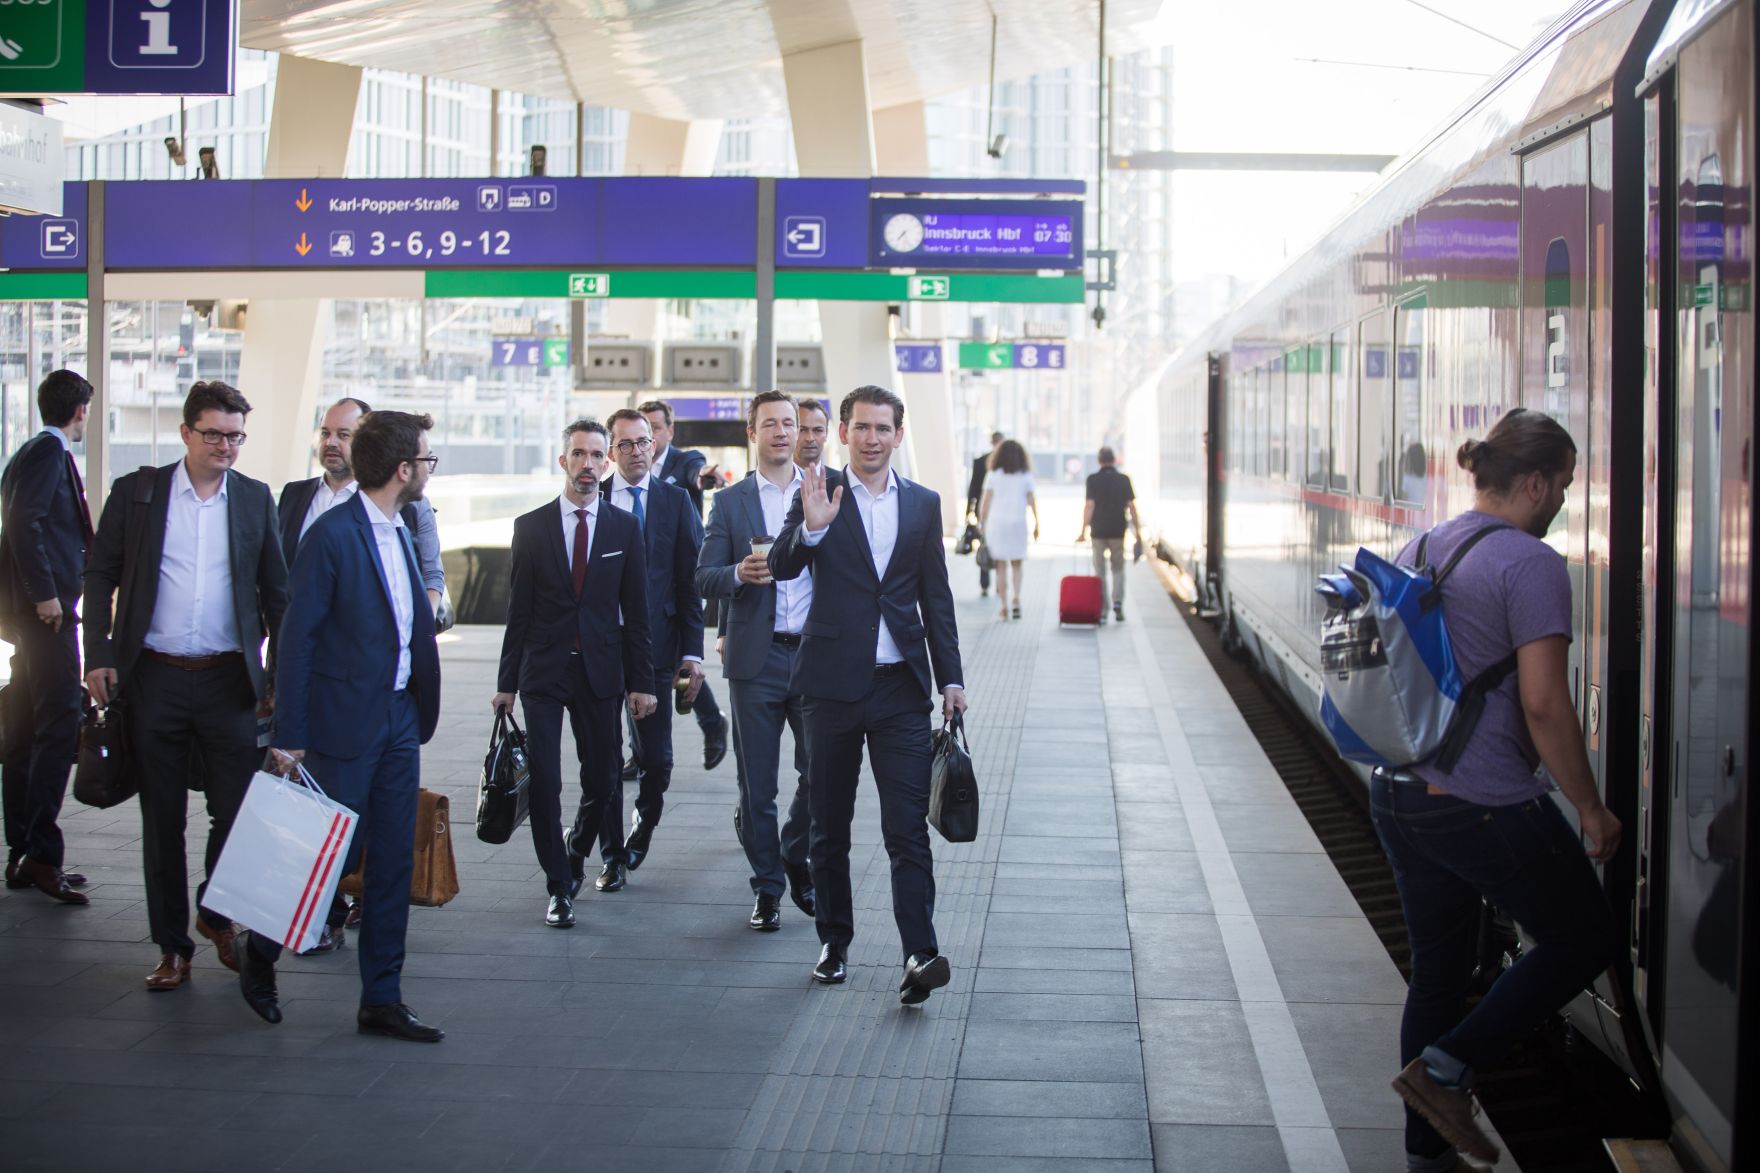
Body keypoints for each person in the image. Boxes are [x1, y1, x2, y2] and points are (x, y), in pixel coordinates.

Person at [1372, 408, 1621, 1170]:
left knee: (1438, 977)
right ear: (1536, 483)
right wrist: (1590, 807)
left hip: (1399, 792)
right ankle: (1448, 1069)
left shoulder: (1421, 545)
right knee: (1586, 935)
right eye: (1565, 485)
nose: (1565, 502)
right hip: (1477, 800)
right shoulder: (1531, 563)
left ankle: (1427, 1158)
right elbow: (1544, 704)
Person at [82, 382, 289, 992]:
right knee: (162, 819)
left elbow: (277, 593)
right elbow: (99, 575)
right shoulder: (137, 494)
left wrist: (280, 676)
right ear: (185, 433)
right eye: (214, 434)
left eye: (235, 436)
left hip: (230, 682)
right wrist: (97, 654)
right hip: (155, 679)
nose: (225, 446)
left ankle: (214, 912)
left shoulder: (254, 498)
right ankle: (173, 947)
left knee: (237, 812)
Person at [251, 410, 444, 1040]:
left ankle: (381, 998)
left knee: (391, 862)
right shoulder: (331, 536)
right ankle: (259, 951)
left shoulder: (404, 527)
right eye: (426, 459)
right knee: (319, 853)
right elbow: (297, 639)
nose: (430, 468)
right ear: (403, 469)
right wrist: (290, 734)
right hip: (342, 723)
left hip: (399, 718)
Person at [771, 385, 967, 1005]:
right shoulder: (818, 489)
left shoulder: (923, 504)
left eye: (883, 428)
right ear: (844, 432)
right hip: (829, 688)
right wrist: (811, 529)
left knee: (907, 830)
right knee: (829, 828)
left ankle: (920, 953)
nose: (872, 438)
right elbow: (781, 565)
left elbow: (936, 597)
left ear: (898, 435)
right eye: (861, 427)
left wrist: (951, 678)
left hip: (901, 691)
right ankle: (834, 942)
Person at [493, 419, 653, 926]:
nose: (588, 464)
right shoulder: (531, 527)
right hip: (543, 672)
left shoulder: (624, 529)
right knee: (545, 782)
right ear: (563, 461)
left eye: (597, 455)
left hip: (601, 672)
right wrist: (505, 684)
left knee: (604, 780)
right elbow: (518, 611)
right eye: (579, 454)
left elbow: (637, 613)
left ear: (607, 462)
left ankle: (577, 847)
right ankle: (558, 886)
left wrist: (642, 682)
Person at [696, 390, 815, 932]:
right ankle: (768, 887)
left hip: (815, 656)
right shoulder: (731, 502)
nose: (783, 432)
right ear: (753, 433)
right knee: (757, 787)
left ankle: (793, 850)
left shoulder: (825, 489)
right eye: (771, 424)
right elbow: (703, 576)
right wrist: (737, 575)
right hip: (756, 661)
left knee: (820, 775)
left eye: (790, 423)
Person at [0, 370, 95, 905]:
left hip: (32, 615)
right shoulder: (48, 452)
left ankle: (22, 852)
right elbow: (23, 521)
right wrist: (45, 595)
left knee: (23, 729)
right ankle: (40, 855)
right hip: (47, 616)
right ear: (80, 410)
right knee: (58, 726)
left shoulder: (26, 452)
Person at [603, 408, 703, 874]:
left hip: (659, 648)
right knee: (603, 761)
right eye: (625, 444)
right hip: (602, 648)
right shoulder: (595, 497)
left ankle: (642, 824)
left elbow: (689, 582)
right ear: (611, 452)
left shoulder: (675, 501)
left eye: (643, 441)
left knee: (657, 760)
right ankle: (610, 855)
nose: (637, 451)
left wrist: (692, 653)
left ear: (655, 443)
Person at [280, 397, 445, 618]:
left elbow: (430, 574)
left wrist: (421, 631)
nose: (330, 443)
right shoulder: (295, 496)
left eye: (343, 435)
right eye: (325, 433)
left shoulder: (405, 507)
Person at [639, 399, 729, 770]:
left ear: (670, 431)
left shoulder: (684, 460)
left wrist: (706, 477)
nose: (649, 436)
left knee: (675, 660)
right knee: (653, 660)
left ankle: (710, 722)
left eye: (656, 428)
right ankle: (645, 749)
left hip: (683, 575)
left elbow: (698, 474)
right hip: (646, 579)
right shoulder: (631, 467)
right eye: (644, 429)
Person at [1077, 446, 1145, 624]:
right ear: (1114, 460)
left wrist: (1083, 531)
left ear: (1099, 461)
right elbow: (1132, 507)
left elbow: (1090, 506)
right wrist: (1138, 533)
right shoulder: (1124, 479)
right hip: (1117, 531)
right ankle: (1118, 602)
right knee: (1118, 568)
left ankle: (1103, 608)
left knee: (1100, 571)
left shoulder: (1092, 479)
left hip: (1098, 532)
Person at [978, 438, 1037, 621]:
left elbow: (986, 501)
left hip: (997, 524)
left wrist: (982, 522)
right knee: (1017, 564)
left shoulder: (993, 474)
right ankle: (1016, 599)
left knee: (1000, 566)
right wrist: (1037, 522)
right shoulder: (1025, 475)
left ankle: (1004, 606)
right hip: (1018, 522)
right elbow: (1031, 500)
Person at [966, 432, 1003, 597]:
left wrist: (969, 510)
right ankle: (998, 583)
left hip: (985, 512)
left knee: (985, 545)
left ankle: (985, 583)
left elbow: (973, 489)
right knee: (998, 547)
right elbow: (974, 487)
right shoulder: (1004, 464)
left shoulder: (981, 461)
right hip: (997, 512)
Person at [795, 397, 830, 473]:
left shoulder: (843, 479)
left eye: (818, 430)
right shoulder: (772, 478)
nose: (810, 438)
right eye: (802, 430)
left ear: (826, 434)